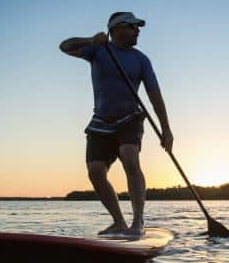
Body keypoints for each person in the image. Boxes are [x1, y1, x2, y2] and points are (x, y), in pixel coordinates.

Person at [59, 12, 173, 236]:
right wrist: (90, 40)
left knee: (130, 158)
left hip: (129, 118)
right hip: (100, 121)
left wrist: (166, 129)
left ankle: (137, 222)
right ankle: (119, 221)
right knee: (95, 171)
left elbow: (155, 96)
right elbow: (64, 46)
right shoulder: (98, 50)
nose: (137, 31)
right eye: (133, 26)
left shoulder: (141, 60)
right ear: (117, 29)